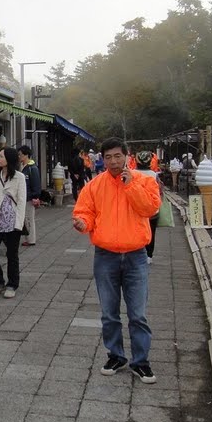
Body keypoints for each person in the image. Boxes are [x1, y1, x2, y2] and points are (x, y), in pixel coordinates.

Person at [73, 137, 161, 383]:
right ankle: (116, 355)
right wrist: (83, 223)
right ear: (102, 158)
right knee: (109, 313)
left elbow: (150, 209)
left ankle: (141, 361)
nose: (113, 161)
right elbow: (84, 212)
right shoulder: (94, 185)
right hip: (106, 256)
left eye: (117, 156)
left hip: (136, 256)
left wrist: (131, 185)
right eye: (108, 157)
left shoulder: (144, 180)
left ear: (127, 156)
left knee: (137, 314)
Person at [0, 147, 27, 299]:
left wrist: (19, 225)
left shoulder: (19, 177)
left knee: (12, 255)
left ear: (9, 159)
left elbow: (21, 202)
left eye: (1, 156)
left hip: (12, 223)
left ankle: (12, 284)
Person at [134, 151, 162, 264]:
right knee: (151, 233)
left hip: (136, 209)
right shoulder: (154, 175)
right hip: (152, 211)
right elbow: (160, 191)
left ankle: (137, 252)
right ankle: (149, 255)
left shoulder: (132, 173)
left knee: (136, 232)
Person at [18, 145, 41, 247]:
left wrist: (34, 196)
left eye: (20, 155)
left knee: (29, 218)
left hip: (29, 198)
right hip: (24, 197)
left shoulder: (32, 168)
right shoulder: (22, 167)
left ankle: (31, 239)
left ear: (26, 155)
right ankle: (28, 238)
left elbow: (36, 184)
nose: (19, 157)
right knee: (26, 218)